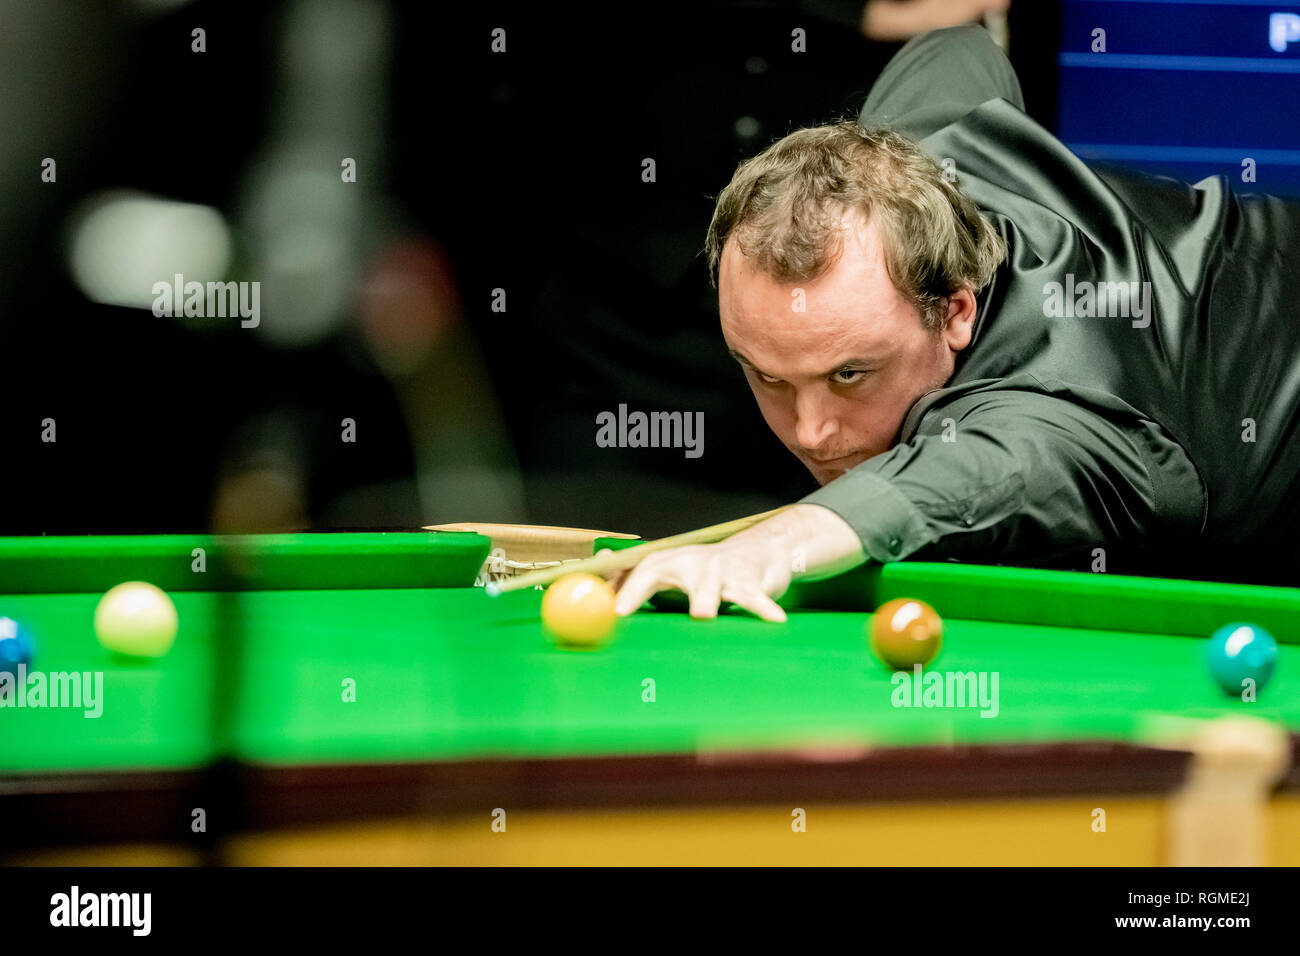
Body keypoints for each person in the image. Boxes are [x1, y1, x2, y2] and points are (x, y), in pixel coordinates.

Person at [613, 24, 1300, 620]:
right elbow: (957, 46)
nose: (811, 431)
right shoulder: (916, 158)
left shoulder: (1053, 410)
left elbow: (974, 476)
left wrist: (773, 545)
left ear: (955, 311)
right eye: (767, 376)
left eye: (849, 373)